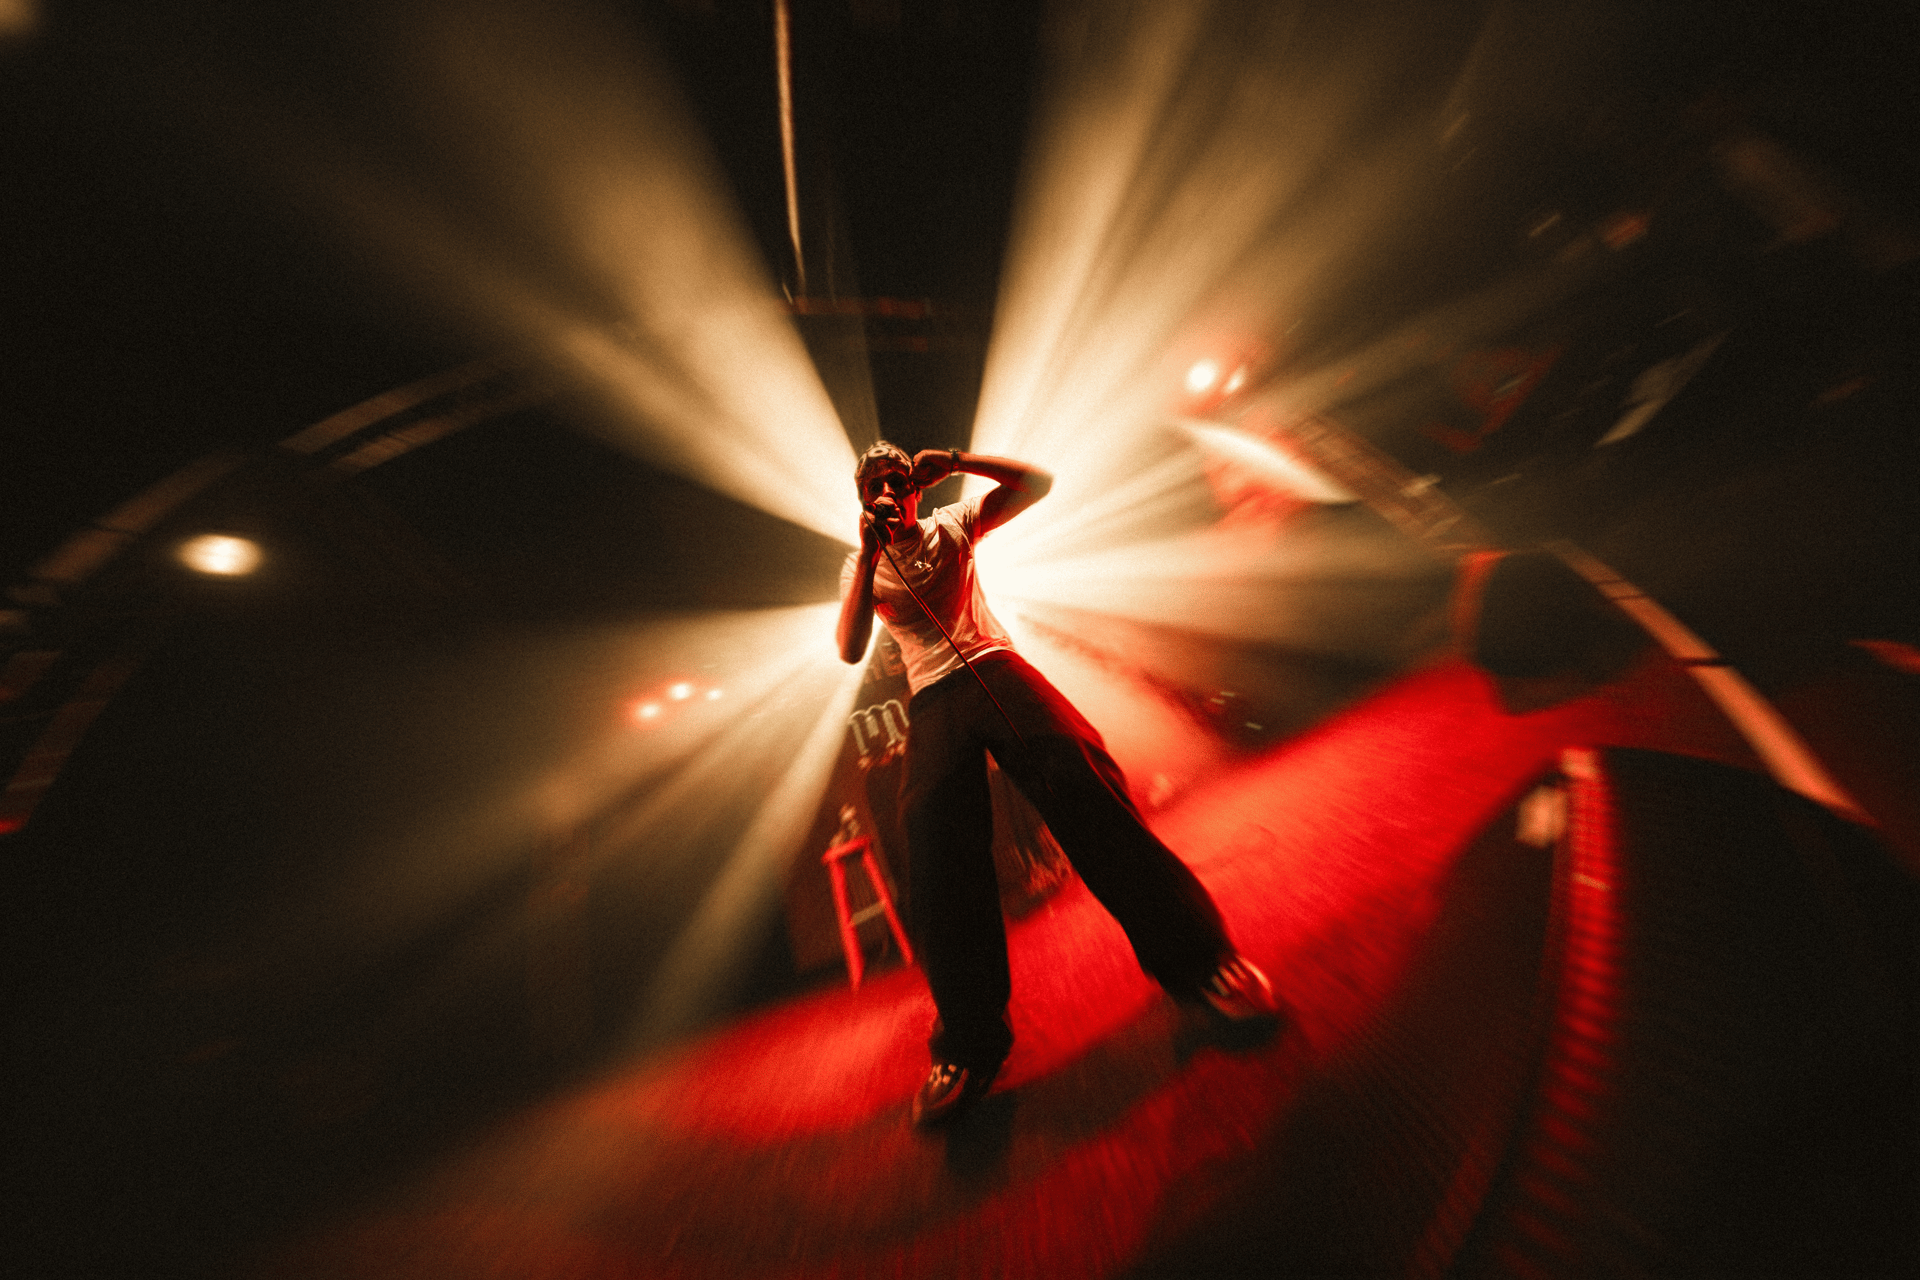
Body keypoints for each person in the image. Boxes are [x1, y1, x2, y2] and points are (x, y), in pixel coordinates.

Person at [836, 441, 1281, 1127]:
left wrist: (955, 460)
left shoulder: (952, 524)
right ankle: (969, 1046)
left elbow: (1038, 483)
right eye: (875, 487)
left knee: (1084, 784)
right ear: (863, 498)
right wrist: (868, 554)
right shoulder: (860, 561)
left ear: (915, 486)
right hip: (931, 698)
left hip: (997, 666)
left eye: (898, 481)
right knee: (934, 846)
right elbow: (847, 646)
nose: (889, 493)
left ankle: (1200, 961)